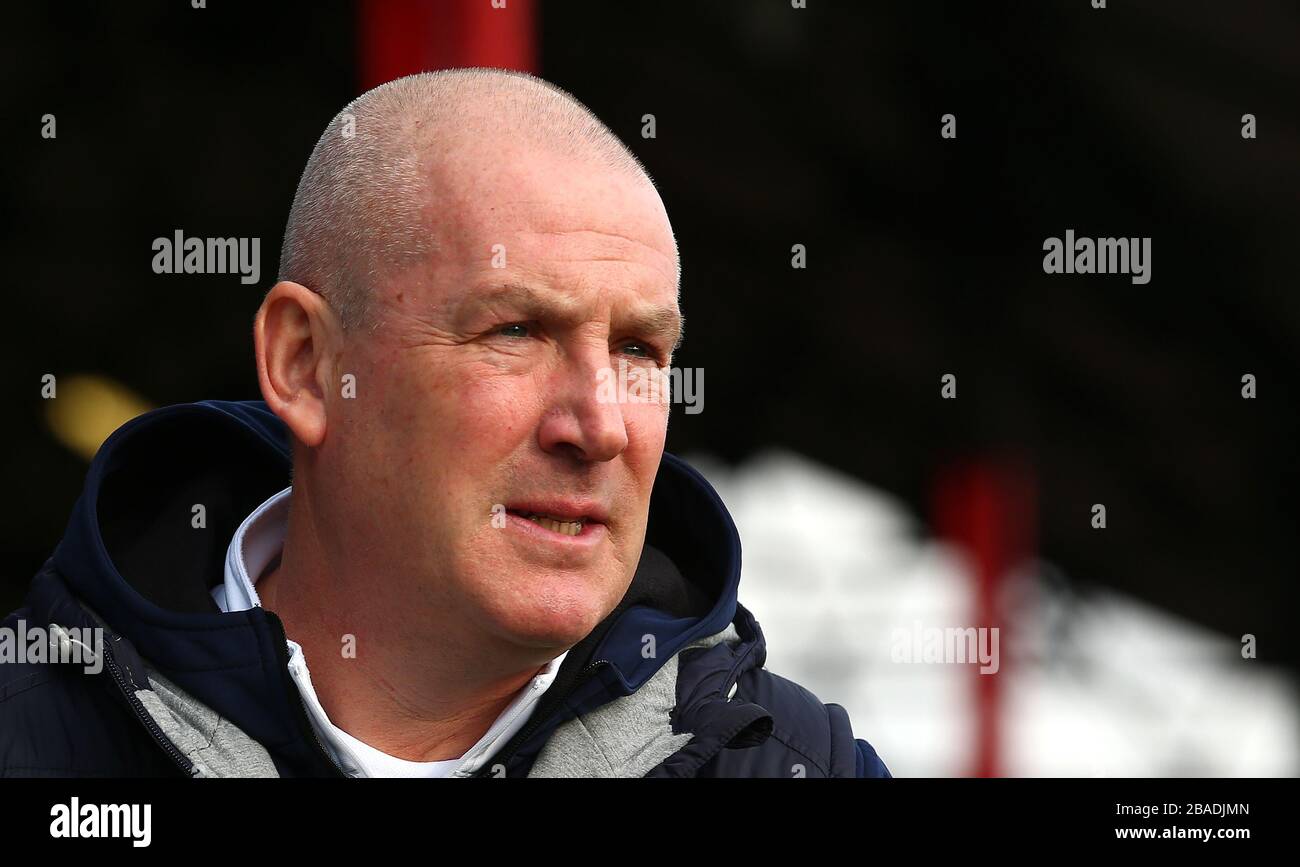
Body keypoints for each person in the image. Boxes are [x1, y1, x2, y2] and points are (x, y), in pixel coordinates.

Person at [0, 68, 890, 778]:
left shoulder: (793, 764)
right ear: (306, 364)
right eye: (516, 331)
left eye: (638, 349)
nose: (600, 425)